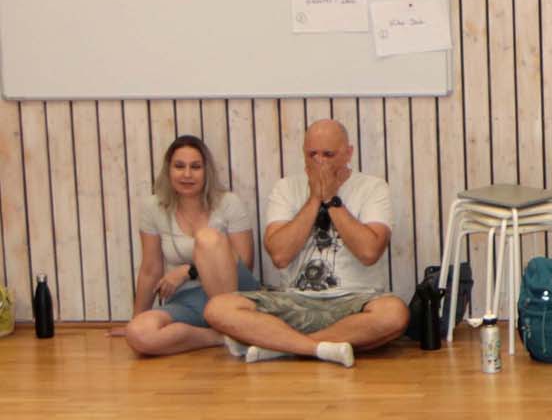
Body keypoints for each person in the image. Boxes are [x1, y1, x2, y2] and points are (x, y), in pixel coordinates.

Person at [202, 119, 408, 367]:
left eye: (328, 154)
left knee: (394, 314)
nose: (320, 162)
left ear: (348, 153)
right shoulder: (286, 188)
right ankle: (316, 348)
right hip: (294, 300)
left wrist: (331, 199)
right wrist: (313, 200)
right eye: (312, 154)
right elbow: (279, 256)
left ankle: (279, 346)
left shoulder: (373, 187)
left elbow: (369, 252)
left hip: (355, 300)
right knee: (218, 308)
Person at [122, 135, 262, 356]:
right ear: (168, 170)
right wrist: (136, 318)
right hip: (187, 300)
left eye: (195, 167)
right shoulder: (153, 208)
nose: (187, 174)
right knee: (138, 333)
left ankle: (232, 322)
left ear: (206, 171)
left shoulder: (229, 203)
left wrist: (188, 271)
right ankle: (224, 337)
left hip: (235, 294)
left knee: (207, 238)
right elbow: (150, 269)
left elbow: (245, 262)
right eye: (179, 166)